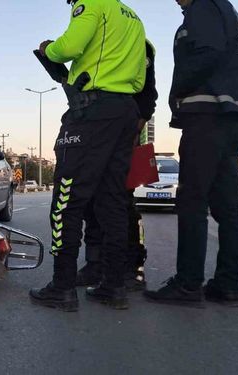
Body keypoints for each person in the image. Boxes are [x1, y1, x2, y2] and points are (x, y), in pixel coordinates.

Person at [29, 0, 147, 311]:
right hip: (125, 111)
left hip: (92, 112)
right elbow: (140, 73)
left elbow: (70, 47)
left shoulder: (91, 2)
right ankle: (113, 285)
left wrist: (48, 49)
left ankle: (63, 286)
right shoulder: (132, 17)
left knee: (66, 200)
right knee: (113, 201)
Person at [144, 0, 238, 308]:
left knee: (192, 201)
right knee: (228, 206)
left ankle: (188, 284)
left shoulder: (204, 6)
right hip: (234, 115)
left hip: (208, 113)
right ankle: (227, 285)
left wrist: (177, 90)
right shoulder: (233, 15)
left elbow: (208, 53)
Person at [77, 39, 158, 292]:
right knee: (90, 202)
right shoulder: (91, 38)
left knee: (121, 203)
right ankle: (95, 264)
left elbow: (147, 93)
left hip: (125, 133)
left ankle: (131, 267)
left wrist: (137, 126)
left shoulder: (137, 41)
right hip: (94, 130)